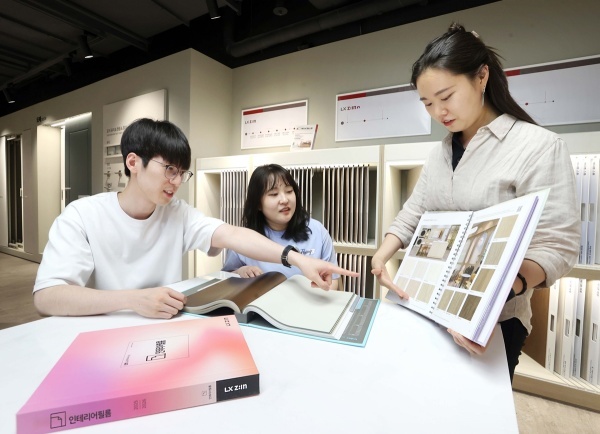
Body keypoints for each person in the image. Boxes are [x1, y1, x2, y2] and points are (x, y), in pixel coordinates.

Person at [371, 23, 579, 381]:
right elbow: (414, 211)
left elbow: (557, 246)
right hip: (428, 307)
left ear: (481, 77)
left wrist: (494, 297)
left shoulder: (538, 146)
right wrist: (381, 256)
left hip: (497, 318)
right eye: (428, 103)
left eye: (446, 96)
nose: (439, 112)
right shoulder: (439, 154)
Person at [33, 119, 356, 319]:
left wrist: (296, 259)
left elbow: (232, 234)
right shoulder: (83, 215)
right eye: (168, 169)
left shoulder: (178, 213)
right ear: (133, 162)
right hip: (101, 335)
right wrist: (132, 300)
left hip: (166, 328)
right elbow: (47, 296)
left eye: (181, 172)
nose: (176, 181)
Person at [222, 164, 339, 290]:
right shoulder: (241, 239)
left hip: (310, 301)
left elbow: (333, 280)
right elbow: (226, 278)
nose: (284, 200)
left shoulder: (317, 230)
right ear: (258, 204)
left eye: (289, 191)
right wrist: (240, 272)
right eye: (274, 194)